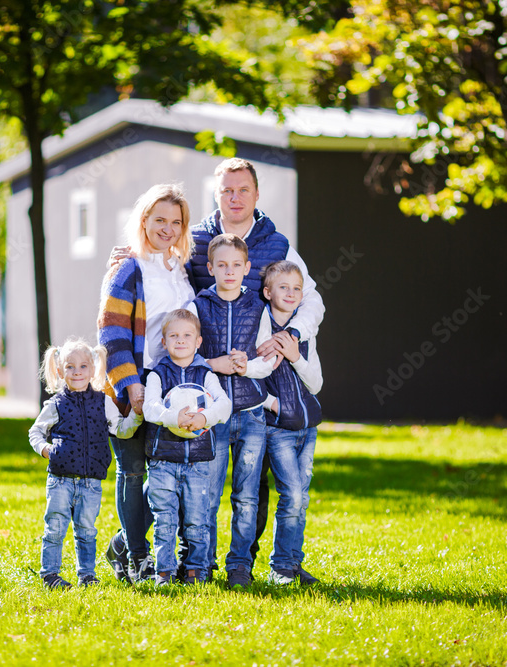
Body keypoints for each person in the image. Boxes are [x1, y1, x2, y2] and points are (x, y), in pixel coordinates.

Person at [186, 158, 326, 571]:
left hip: (259, 383)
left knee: (253, 482)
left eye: (243, 189)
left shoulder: (276, 243)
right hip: (206, 379)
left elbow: (312, 298)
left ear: (256, 194)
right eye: (227, 189)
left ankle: (244, 561)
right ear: (216, 194)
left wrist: (292, 338)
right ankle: (195, 560)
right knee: (197, 479)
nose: (235, 197)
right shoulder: (195, 242)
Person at [97, 183, 196, 583]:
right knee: (134, 471)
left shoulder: (179, 268)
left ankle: (121, 544)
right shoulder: (128, 266)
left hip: (170, 388)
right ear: (144, 221)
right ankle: (138, 558)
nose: (168, 228)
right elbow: (111, 331)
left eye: (176, 222)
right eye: (160, 220)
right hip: (133, 385)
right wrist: (130, 384)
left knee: (164, 477)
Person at [185, 234, 276, 589]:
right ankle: (200, 563)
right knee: (206, 492)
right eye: (221, 265)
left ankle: (239, 564)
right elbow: (187, 358)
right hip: (214, 413)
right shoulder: (198, 305)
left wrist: (244, 367)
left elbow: (266, 361)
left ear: (247, 269)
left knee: (246, 494)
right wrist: (215, 364)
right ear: (210, 269)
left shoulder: (258, 307)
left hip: (252, 413)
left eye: (236, 265)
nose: (229, 271)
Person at [28, 338, 143, 590]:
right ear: (59, 371)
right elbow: (35, 432)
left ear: (93, 369)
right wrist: (45, 449)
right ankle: (50, 575)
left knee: (87, 530)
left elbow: (122, 431)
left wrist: (136, 413)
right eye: (70, 367)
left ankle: (87, 575)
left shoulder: (104, 402)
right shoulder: (55, 404)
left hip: (91, 481)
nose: (77, 372)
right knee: (55, 527)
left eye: (83, 366)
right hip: (60, 479)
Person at [142, 309, 232, 585]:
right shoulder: (158, 374)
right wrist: (174, 417)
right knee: (165, 519)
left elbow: (224, 404)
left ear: (198, 342)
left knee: (197, 519)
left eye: (187, 335)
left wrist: (204, 417)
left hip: (199, 460)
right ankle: (164, 572)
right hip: (163, 460)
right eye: (174, 336)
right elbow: (150, 407)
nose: (180, 341)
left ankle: (195, 570)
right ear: (164, 341)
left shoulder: (206, 375)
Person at [258, 261, 323, 586]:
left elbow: (317, 383)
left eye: (297, 288)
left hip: (308, 426)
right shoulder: (260, 328)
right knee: (292, 495)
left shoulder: (303, 332)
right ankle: (280, 566)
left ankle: (293, 563)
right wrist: (275, 405)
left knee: (303, 497)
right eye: (283, 287)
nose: (291, 293)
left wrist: (295, 355)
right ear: (268, 292)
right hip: (278, 428)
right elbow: (251, 382)